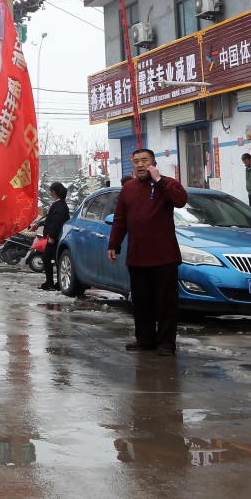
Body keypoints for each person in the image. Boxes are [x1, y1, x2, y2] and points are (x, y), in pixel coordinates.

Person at [109, 148, 189, 356]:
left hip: (164, 256)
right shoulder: (128, 188)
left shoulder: (167, 184)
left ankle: (166, 343)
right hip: (137, 255)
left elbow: (181, 200)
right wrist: (113, 244)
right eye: (136, 161)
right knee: (141, 302)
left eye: (144, 160)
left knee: (165, 303)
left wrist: (159, 180)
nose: (140, 164)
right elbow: (120, 219)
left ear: (153, 163)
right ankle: (145, 339)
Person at [38, 182, 70, 291]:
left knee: (50, 259)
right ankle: (54, 283)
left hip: (55, 238)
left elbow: (56, 222)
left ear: (53, 192)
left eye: (50, 191)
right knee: (53, 260)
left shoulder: (59, 205)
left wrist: (51, 236)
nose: (49, 193)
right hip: (55, 237)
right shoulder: (59, 204)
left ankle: (52, 283)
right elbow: (50, 220)